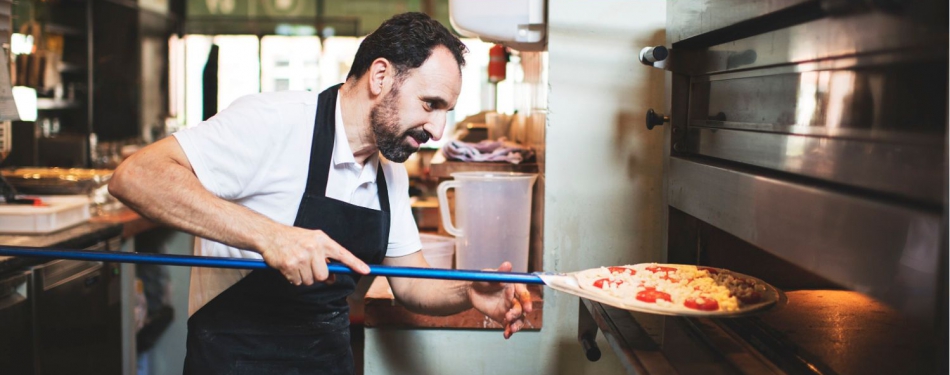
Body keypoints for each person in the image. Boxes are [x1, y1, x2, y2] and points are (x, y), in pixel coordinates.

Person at [108, 12, 532, 375]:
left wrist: (467, 293)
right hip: (236, 360)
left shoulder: (390, 169)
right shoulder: (275, 121)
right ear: (381, 76)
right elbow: (136, 176)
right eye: (429, 104)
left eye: (445, 112)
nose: (438, 130)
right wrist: (269, 236)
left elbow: (410, 283)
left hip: (325, 361)